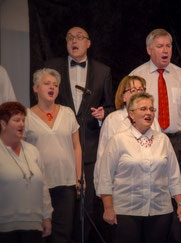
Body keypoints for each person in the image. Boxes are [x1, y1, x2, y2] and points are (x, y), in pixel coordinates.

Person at [44, 26, 114, 242]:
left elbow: (112, 106)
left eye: (79, 37)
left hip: (90, 151)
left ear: (89, 43)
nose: (74, 41)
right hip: (59, 149)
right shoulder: (51, 67)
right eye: (70, 37)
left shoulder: (103, 71)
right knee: (61, 209)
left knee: (87, 210)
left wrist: (103, 114)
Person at [130, 28, 181, 242]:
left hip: (177, 141)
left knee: (178, 193)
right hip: (147, 142)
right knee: (152, 192)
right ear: (149, 49)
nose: (165, 50)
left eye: (168, 45)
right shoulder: (137, 76)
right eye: (160, 46)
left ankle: (176, 239)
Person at [96, 92, 181, 243]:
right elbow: (105, 177)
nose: (148, 113)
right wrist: (108, 208)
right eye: (143, 109)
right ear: (131, 114)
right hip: (126, 211)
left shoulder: (163, 140)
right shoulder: (118, 140)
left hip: (160, 211)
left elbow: (174, 176)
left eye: (151, 109)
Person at [24, 68, 82, 243]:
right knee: (40, 234)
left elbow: (76, 146)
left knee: (63, 235)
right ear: (35, 88)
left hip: (66, 183)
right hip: (38, 186)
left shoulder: (67, 113)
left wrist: (79, 176)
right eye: (47, 83)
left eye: (55, 85)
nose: (52, 88)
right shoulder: (25, 116)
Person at [94, 75, 160, 188]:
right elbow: (103, 157)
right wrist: (102, 189)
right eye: (133, 91)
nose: (138, 94)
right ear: (123, 97)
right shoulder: (112, 120)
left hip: (148, 184)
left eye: (141, 90)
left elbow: (159, 150)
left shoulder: (152, 119)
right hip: (121, 185)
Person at [0, 101, 53, 243]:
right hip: (5, 228)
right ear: (3, 124)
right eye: (16, 120)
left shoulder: (33, 151)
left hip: (34, 226)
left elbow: (43, 187)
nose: (22, 124)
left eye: (23, 120)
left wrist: (47, 216)